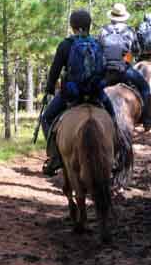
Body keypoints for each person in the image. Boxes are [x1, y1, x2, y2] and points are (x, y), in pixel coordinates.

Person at [40, 9, 117, 176]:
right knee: (112, 116)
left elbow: (55, 71)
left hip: (72, 94)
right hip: (95, 93)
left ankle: (55, 157)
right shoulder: (97, 43)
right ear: (89, 26)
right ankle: (115, 156)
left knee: (46, 118)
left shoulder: (66, 45)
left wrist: (49, 89)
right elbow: (103, 69)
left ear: (72, 26)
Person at [98, 3, 151, 129]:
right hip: (123, 71)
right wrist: (126, 60)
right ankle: (147, 120)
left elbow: (98, 50)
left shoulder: (103, 30)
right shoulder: (129, 31)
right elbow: (135, 51)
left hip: (105, 71)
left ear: (111, 16)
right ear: (123, 16)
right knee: (145, 88)